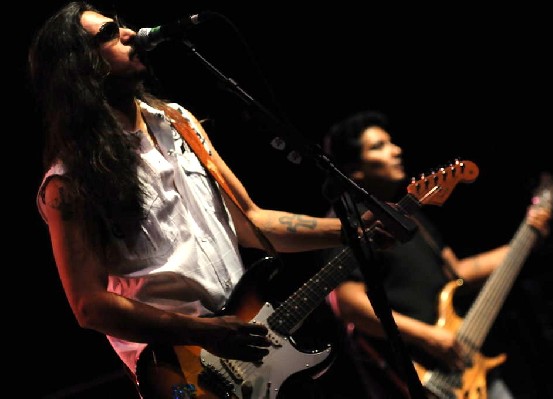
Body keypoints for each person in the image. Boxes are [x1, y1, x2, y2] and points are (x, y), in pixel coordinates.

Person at [28, 4, 407, 399]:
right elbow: (88, 305)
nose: (130, 34)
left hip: (242, 346)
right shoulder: (69, 182)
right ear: (80, 68)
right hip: (178, 367)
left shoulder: (179, 123)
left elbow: (254, 223)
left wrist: (353, 230)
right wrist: (201, 331)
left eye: (121, 26)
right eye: (108, 34)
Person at [319, 110, 553, 399]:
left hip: (464, 368)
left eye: (391, 142)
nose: (396, 150)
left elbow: (458, 273)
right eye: (379, 146)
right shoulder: (347, 224)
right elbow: (349, 303)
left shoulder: (410, 218)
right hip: (424, 379)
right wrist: (429, 337)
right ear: (354, 169)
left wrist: (527, 238)